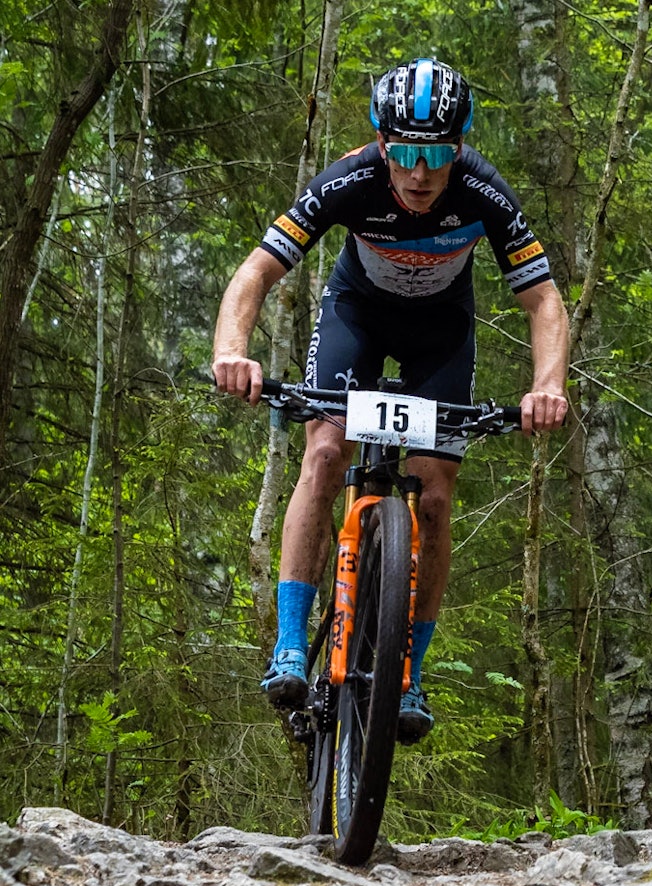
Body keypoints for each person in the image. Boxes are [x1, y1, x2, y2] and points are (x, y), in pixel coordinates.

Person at [211, 58, 570, 742]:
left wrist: (547, 385)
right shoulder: (348, 180)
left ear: (458, 147)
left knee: (434, 495)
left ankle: (408, 671)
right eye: (403, 152)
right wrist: (232, 349)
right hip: (358, 317)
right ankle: (290, 643)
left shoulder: (484, 192)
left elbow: (543, 299)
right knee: (322, 452)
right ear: (380, 142)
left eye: (436, 154)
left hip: (441, 333)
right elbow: (258, 270)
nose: (419, 172)